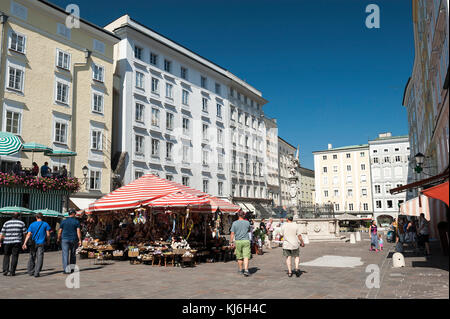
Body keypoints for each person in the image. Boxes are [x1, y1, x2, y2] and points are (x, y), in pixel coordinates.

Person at [22, 213, 51, 277]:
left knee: (32, 256)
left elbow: (28, 234)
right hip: (41, 243)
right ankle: (37, 272)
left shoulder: (32, 224)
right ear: (42, 217)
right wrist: (48, 241)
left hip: (33, 243)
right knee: (40, 257)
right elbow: (48, 234)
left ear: (36, 217)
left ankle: (30, 271)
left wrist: (24, 243)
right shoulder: (45, 224)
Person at [57, 209, 82, 274]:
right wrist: (80, 240)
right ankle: (72, 268)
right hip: (73, 239)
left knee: (65, 254)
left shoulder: (63, 221)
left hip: (64, 239)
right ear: (73, 214)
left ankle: (66, 270)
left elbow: (60, 231)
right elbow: (78, 231)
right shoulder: (76, 221)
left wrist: (58, 238)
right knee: (73, 254)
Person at [230, 211, 251, 277]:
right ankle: (246, 270)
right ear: (243, 215)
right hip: (246, 241)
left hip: (238, 241)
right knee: (246, 256)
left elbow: (232, 233)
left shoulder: (234, 223)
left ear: (238, 215)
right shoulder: (247, 222)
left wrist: (231, 242)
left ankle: (240, 270)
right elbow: (249, 230)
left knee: (239, 257)